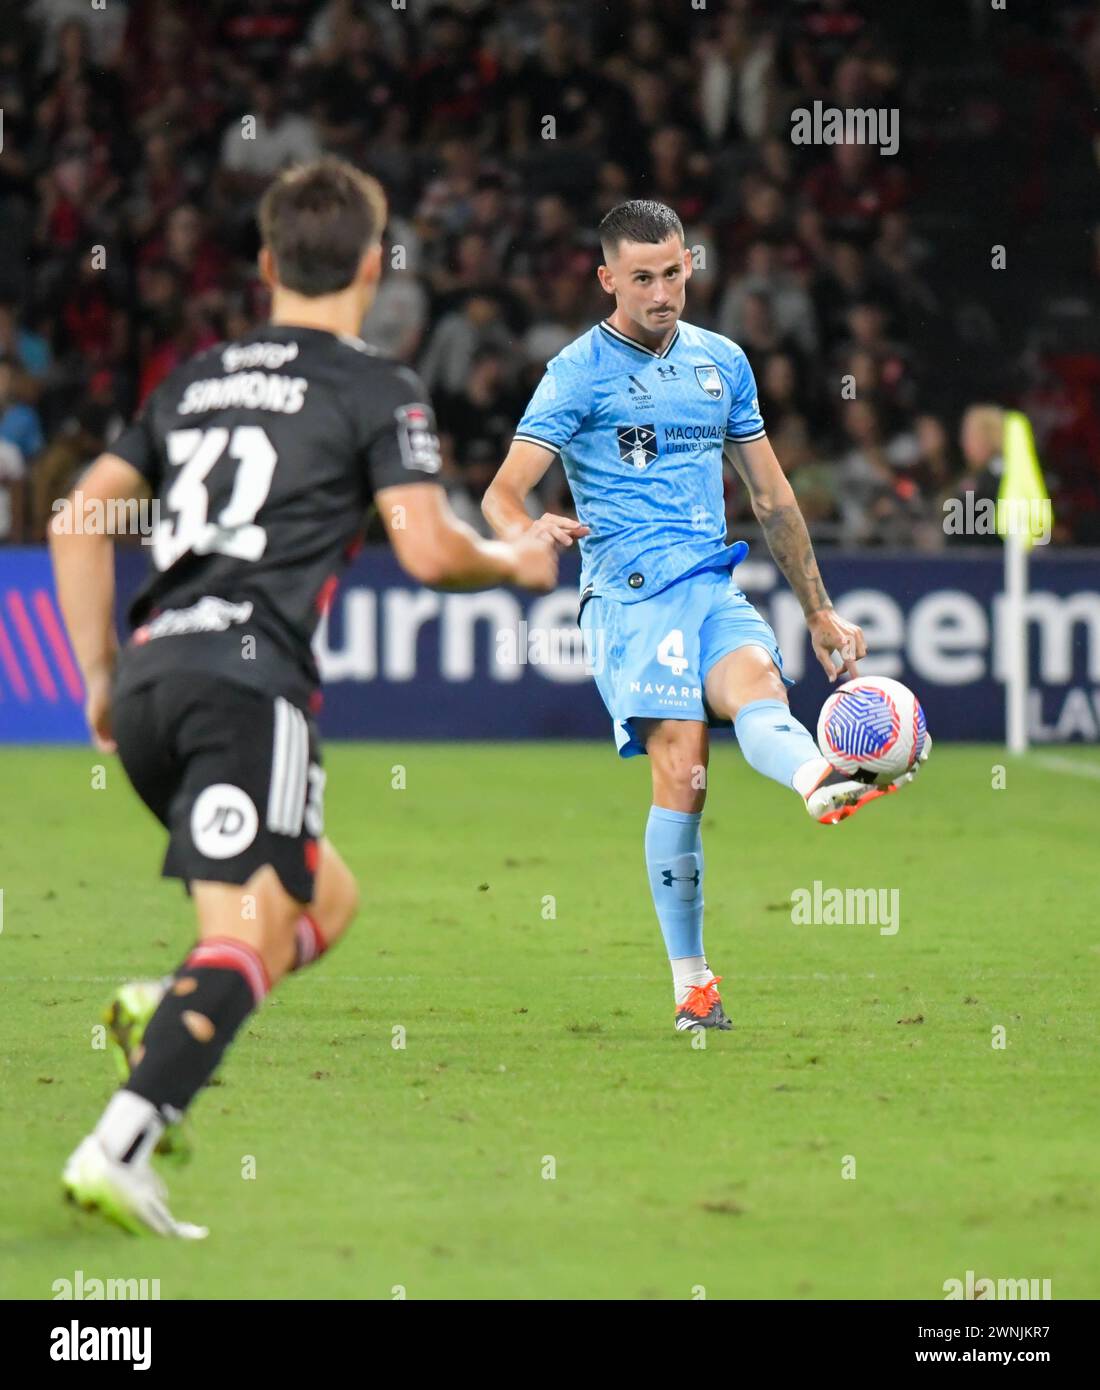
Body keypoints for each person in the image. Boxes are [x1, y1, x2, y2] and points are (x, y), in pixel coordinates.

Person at [49, 157, 558, 1237]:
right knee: (248, 926)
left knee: (323, 901)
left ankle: (173, 1007)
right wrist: (512, 564)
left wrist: (97, 675)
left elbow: (75, 518)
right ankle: (122, 1139)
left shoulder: (193, 378)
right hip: (246, 688)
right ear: (376, 264)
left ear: (267, 262)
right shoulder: (374, 385)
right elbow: (424, 550)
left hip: (151, 687)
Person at [482, 199, 927, 1035]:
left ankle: (817, 780)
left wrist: (821, 612)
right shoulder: (575, 372)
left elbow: (771, 495)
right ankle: (693, 984)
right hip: (630, 598)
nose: (662, 292)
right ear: (608, 278)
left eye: (674, 273)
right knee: (684, 769)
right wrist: (527, 528)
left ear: (691, 265)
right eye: (642, 278)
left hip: (711, 585)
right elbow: (502, 494)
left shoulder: (723, 363)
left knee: (759, 689)